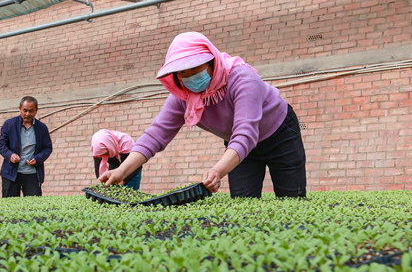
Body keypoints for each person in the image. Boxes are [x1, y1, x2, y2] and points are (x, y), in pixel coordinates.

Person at [99, 32, 306, 198]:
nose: (189, 77)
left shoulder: (243, 79)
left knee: (291, 198)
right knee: (244, 202)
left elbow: (246, 132)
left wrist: (217, 170)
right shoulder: (183, 96)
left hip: (280, 135)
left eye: (194, 68)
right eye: (182, 72)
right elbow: (155, 135)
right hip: (238, 146)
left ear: (212, 62)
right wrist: (121, 171)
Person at [0, 96, 53, 197]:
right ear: (20, 109)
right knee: (10, 204)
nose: (27, 114)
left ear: (36, 110)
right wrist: (10, 155)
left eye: (31, 111)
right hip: (11, 173)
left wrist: (38, 159)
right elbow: (1, 145)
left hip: (32, 173)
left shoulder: (42, 128)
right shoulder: (9, 124)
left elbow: (47, 148)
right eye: (25, 110)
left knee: (34, 204)